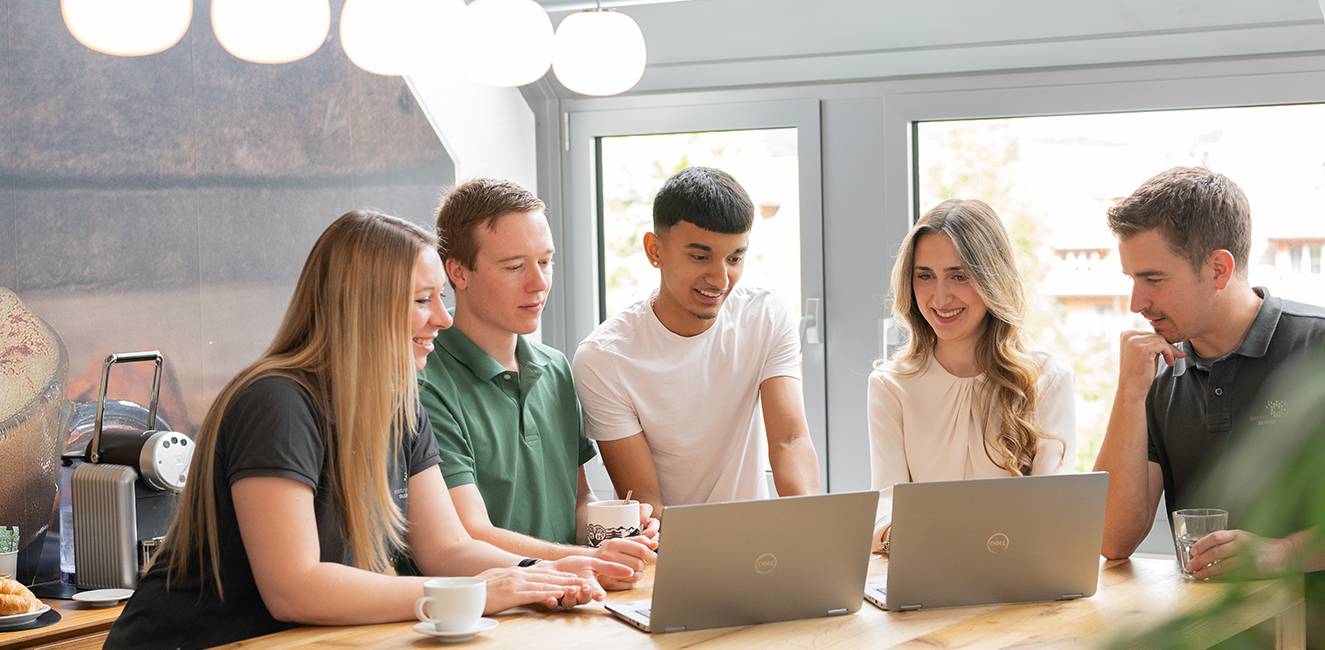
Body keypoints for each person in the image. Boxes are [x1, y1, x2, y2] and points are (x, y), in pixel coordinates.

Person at [106, 210, 631, 649]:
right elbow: (295, 586)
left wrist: (549, 573)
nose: (443, 320)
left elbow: (446, 548)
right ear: (362, 306)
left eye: (440, 298)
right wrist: (480, 591)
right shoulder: (277, 401)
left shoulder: (402, 405)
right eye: (423, 300)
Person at [1092, 167, 1325, 648]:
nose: (1137, 302)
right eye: (1132, 279)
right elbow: (1113, 540)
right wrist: (1129, 394)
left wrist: (1282, 553)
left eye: (1153, 279)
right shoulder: (1157, 373)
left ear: (1218, 269)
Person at [420, 179, 658, 591]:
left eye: (545, 262)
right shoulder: (426, 379)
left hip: (566, 596)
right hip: (479, 610)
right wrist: (590, 559)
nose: (539, 283)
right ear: (457, 272)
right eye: (515, 266)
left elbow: (578, 501)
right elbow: (467, 533)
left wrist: (618, 537)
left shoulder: (555, 368)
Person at [574, 167, 821, 518]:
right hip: (668, 551)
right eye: (700, 256)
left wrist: (813, 529)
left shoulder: (766, 316)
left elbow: (789, 442)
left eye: (735, 258)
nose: (721, 279)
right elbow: (646, 500)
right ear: (654, 250)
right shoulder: (603, 358)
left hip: (761, 547)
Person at [868, 199, 1076, 553]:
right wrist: (895, 537)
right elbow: (886, 509)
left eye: (959, 275)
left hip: (1019, 578)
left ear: (992, 279)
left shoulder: (1047, 378)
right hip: (926, 576)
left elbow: (1054, 512)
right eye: (925, 276)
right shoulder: (891, 386)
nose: (940, 296)